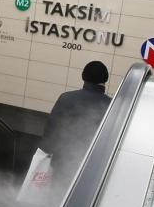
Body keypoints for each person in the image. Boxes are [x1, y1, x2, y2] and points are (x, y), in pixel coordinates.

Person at [39, 61, 112, 191]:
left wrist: (46, 152)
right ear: (105, 79)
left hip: (62, 161)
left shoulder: (66, 98)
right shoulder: (111, 105)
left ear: (83, 76)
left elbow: (52, 129)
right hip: (93, 167)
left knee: (57, 197)